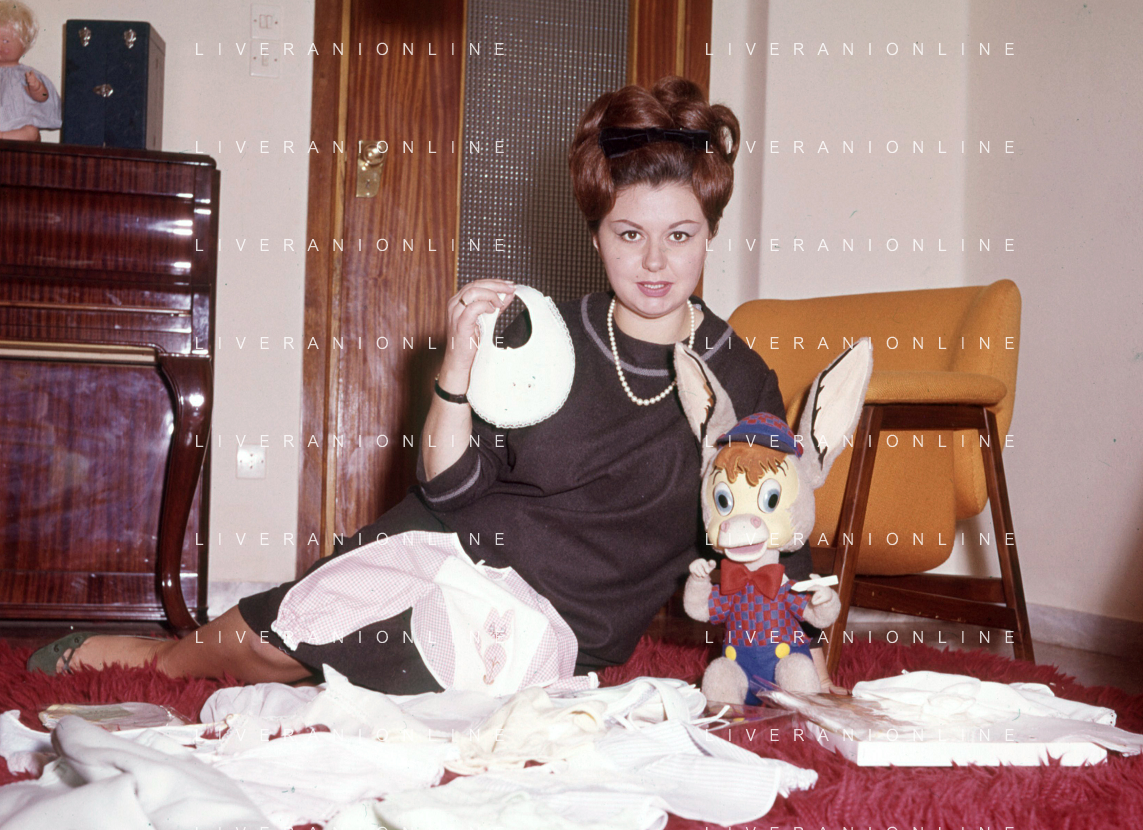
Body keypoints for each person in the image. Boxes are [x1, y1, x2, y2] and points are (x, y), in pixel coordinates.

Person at [28, 76, 813, 688]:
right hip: (447, 546)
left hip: (551, 627)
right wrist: (458, 370)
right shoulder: (545, 334)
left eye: (680, 234)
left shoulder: (740, 378)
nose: (654, 261)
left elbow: (775, 532)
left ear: (710, 232)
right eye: (628, 233)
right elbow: (451, 488)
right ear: (595, 234)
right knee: (265, 642)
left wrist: (796, 651)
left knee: (407, 672)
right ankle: (162, 656)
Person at [0, 0, 62, 141]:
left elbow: (44, 97)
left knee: (31, 132)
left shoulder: (25, 75)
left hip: (17, 126)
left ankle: (3, 137)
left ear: (24, 44)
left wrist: (37, 88)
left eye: (5, 41)